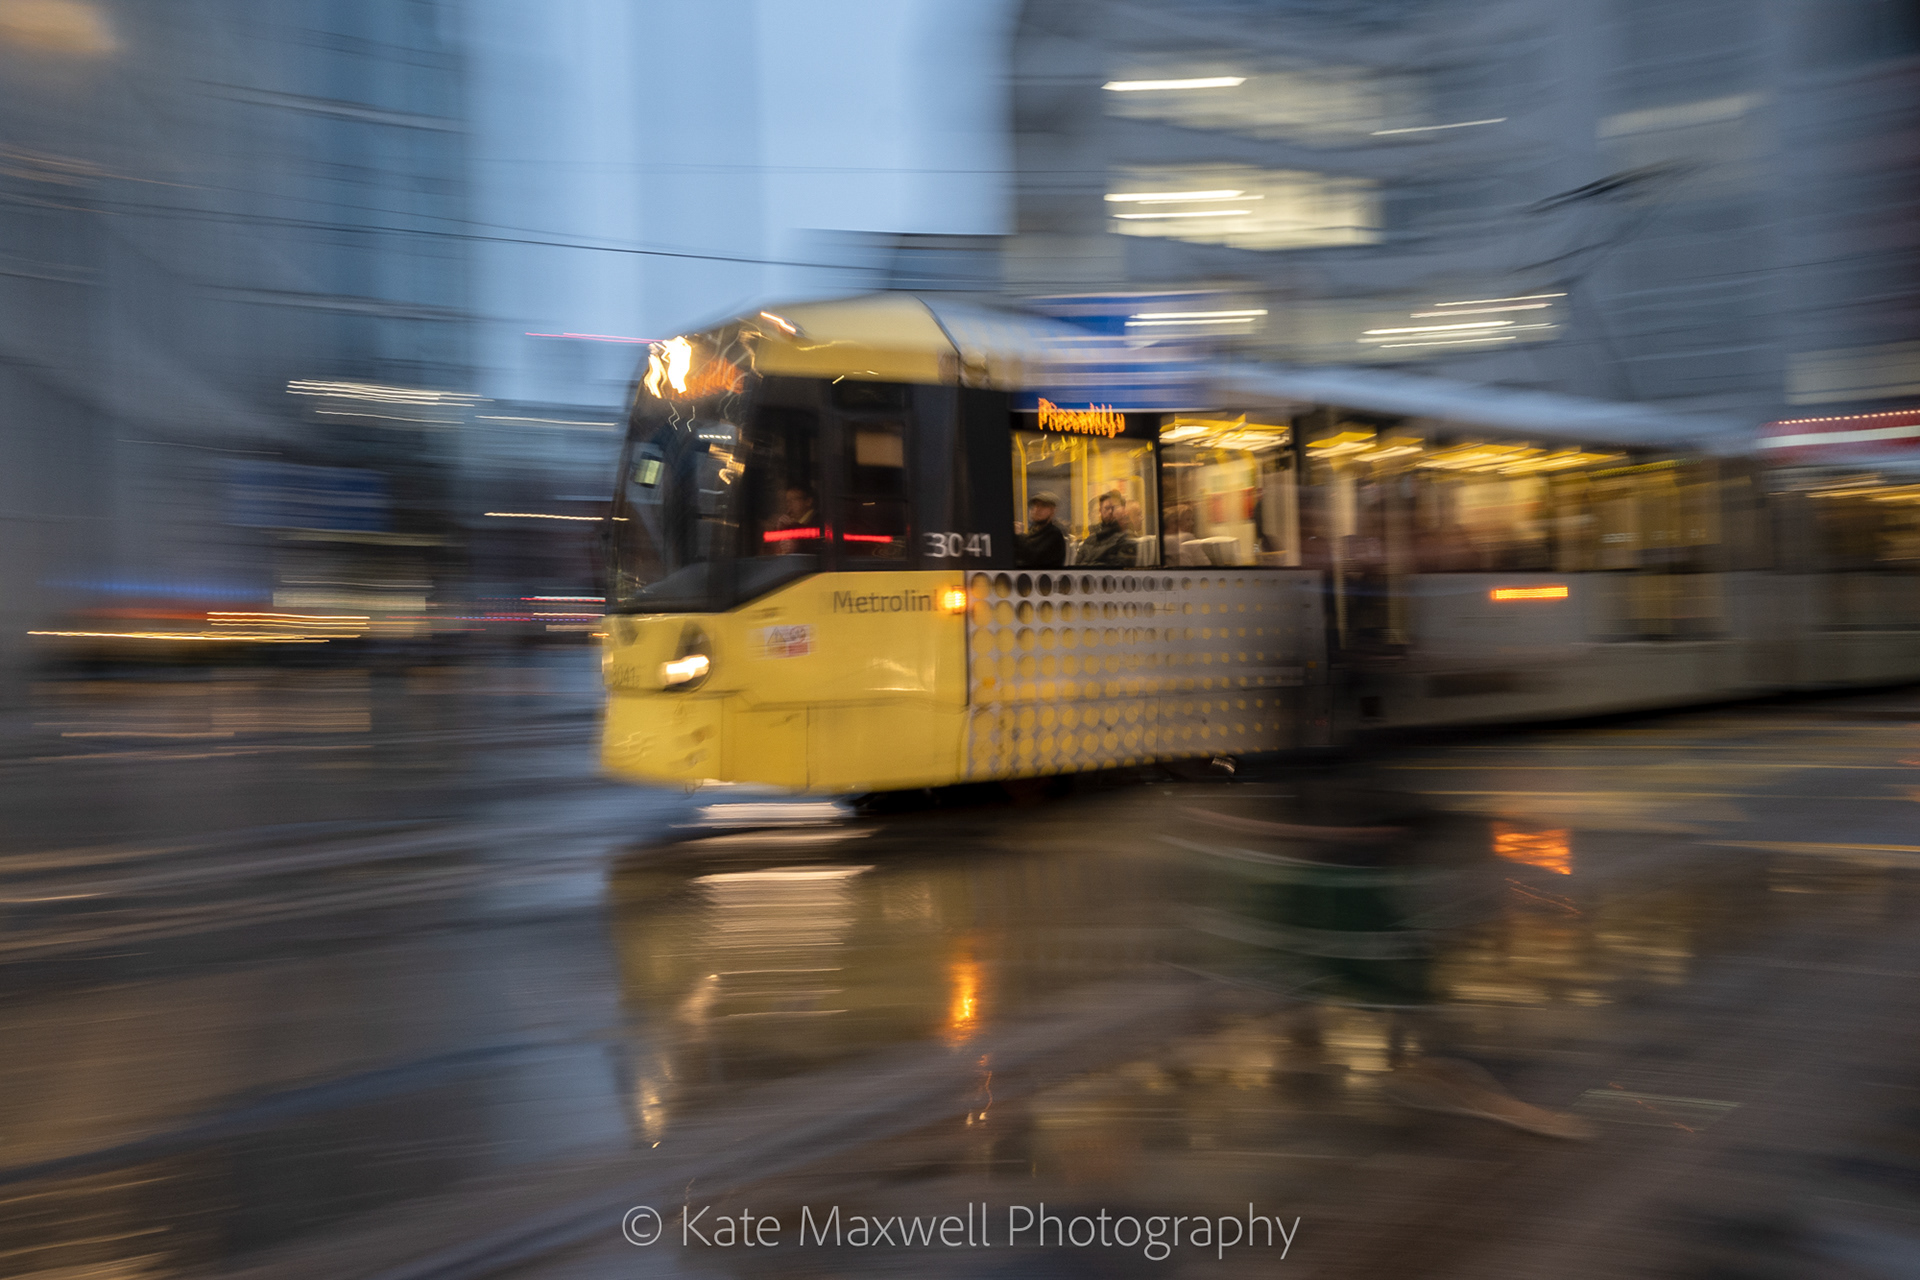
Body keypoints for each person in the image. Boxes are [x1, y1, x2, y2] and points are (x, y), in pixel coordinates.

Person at [1074, 490, 1137, 567]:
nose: (1110, 511)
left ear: (1123, 510)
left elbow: (1118, 567)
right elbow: (1076, 565)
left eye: (1114, 508)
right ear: (1101, 511)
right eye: (1107, 508)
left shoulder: (1128, 537)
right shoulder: (1091, 539)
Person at [1014, 490, 1067, 568]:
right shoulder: (1032, 531)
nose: (1036, 509)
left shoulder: (1054, 534)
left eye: (1043, 506)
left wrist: (1018, 535)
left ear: (1052, 511)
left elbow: (1033, 556)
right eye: (1034, 506)